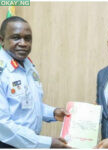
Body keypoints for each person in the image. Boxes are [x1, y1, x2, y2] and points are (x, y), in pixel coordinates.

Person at [0, 16, 71, 148]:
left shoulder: (28, 66)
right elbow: (2, 125)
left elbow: (27, 104)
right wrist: (47, 143)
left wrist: (54, 113)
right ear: (2, 40)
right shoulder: (2, 71)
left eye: (28, 38)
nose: (23, 43)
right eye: (16, 37)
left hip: (30, 143)